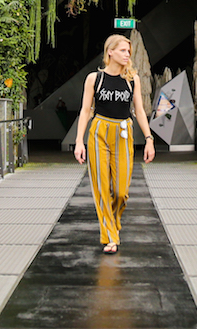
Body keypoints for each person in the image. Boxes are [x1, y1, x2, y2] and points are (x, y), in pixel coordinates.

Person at [73, 33, 155, 254]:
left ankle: (113, 223)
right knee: (101, 187)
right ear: (110, 52)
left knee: (120, 191)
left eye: (128, 51)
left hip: (123, 133)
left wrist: (149, 139)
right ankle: (110, 235)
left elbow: (139, 111)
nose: (127, 54)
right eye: (122, 50)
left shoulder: (132, 79)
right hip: (99, 131)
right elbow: (85, 111)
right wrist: (79, 141)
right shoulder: (94, 79)